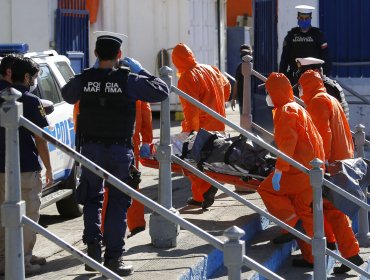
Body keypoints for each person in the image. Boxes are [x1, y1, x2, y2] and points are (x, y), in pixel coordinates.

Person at [61, 32, 169, 276]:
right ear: (120, 55)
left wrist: (88, 75)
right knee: (118, 202)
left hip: (90, 149)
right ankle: (113, 258)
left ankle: (92, 255)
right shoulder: (127, 79)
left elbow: (67, 94)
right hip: (120, 150)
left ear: (96, 54)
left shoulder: (86, 78)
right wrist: (141, 71)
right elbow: (161, 90)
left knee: (91, 198)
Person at [257, 72, 325, 267]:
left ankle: (291, 225)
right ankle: (312, 258)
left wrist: (279, 170)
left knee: (267, 189)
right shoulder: (298, 108)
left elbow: (288, 143)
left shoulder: (286, 111)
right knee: (303, 211)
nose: (267, 95)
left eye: (269, 91)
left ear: (276, 92)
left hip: (298, 169)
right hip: (311, 169)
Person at [298, 70, 363, 273]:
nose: (299, 91)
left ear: (307, 85)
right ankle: (342, 248)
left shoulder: (317, 102)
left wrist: (321, 165)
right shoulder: (329, 99)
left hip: (330, 163)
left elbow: (321, 135)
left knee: (328, 209)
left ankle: (349, 252)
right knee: (331, 209)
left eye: (300, 86)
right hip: (341, 159)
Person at [0, 56, 53, 274]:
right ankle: (21, 261)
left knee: (4, 215)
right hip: (24, 168)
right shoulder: (30, 101)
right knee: (28, 214)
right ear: (27, 76)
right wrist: (49, 167)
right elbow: (40, 138)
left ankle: (5, 259)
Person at [171, 42, 231, 209]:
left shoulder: (186, 78)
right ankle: (199, 197)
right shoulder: (211, 69)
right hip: (219, 122)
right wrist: (219, 103)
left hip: (201, 126)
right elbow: (227, 87)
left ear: (176, 61)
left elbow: (191, 109)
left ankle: (206, 189)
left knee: (187, 159)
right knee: (206, 160)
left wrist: (191, 132)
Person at [279, 5, 331, 88]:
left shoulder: (318, 35)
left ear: (310, 18)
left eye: (306, 18)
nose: (304, 20)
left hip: (314, 77)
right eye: (301, 18)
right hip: (295, 77)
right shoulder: (291, 35)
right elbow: (284, 58)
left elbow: (326, 57)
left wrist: (325, 76)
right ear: (298, 18)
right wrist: (282, 76)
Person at [230, 44, 253, 114]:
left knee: (245, 116)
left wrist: (233, 98)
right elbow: (236, 83)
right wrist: (233, 98)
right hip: (249, 96)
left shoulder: (240, 67)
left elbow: (236, 84)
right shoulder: (254, 66)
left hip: (244, 97)